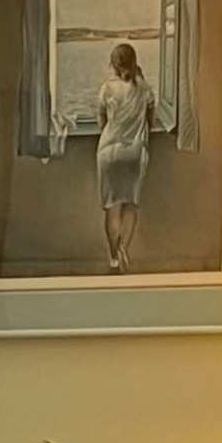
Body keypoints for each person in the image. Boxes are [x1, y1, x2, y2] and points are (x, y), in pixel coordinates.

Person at [93, 41, 154, 272]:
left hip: (109, 152)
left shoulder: (107, 88)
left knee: (112, 208)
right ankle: (124, 248)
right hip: (135, 153)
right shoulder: (145, 89)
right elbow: (151, 120)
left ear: (113, 65)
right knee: (130, 205)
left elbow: (101, 121)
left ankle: (113, 258)